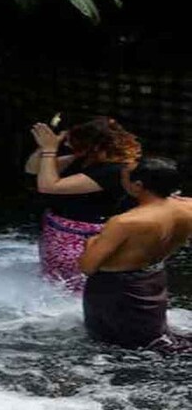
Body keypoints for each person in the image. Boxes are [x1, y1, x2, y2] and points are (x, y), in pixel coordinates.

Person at [79, 157, 192, 352]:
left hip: (115, 288)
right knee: (151, 338)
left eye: (124, 177)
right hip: (152, 278)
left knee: (113, 346)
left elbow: (87, 267)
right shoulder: (188, 206)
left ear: (138, 185)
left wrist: (91, 243)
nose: (121, 180)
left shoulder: (125, 222)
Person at [26, 117, 141, 292]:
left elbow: (48, 186)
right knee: (54, 283)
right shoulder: (83, 159)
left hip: (82, 238)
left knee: (77, 288)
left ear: (93, 146)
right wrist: (45, 148)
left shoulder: (115, 170)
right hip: (57, 231)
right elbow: (33, 168)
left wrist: (50, 150)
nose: (70, 147)